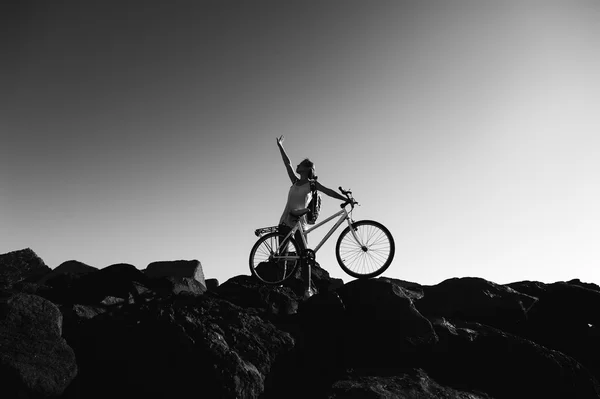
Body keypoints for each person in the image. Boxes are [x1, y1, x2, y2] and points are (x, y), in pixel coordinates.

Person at [276, 135, 348, 297]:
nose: (297, 166)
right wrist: (280, 146)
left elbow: (328, 191)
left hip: (300, 223)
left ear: (306, 169)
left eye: (300, 164)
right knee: (282, 254)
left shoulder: (312, 184)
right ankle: (279, 285)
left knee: (305, 256)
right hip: (286, 220)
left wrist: (344, 199)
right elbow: (287, 163)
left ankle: (307, 289)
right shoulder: (294, 181)